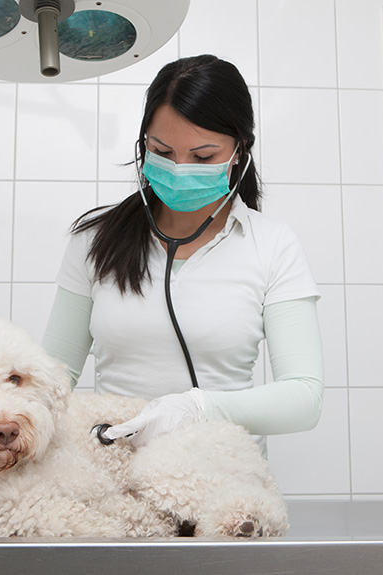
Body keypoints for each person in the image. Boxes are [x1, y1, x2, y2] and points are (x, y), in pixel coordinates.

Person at [42, 54, 323, 455]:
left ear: (240, 150)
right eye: (162, 151)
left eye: (203, 157)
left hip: (225, 485)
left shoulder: (273, 245)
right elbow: (51, 379)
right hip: (114, 481)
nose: (179, 169)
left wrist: (197, 407)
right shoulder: (94, 240)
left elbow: (303, 400)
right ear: (143, 146)